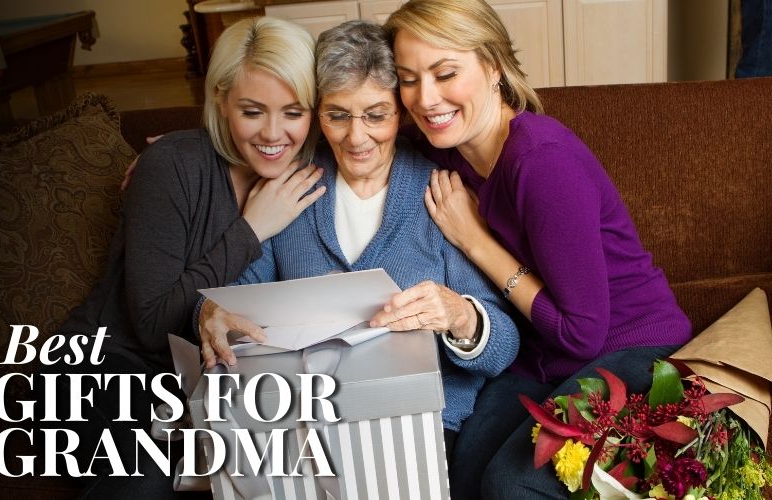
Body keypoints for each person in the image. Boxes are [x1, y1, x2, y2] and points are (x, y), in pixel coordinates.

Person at [381, 0, 693, 498]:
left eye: (445, 73)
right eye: (408, 78)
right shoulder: (444, 149)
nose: (426, 98)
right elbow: (356, 125)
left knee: (510, 486)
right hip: (539, 357)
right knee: (455, 479)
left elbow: (581, 334)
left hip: (631, 347)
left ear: (493, 66)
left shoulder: (543, 163)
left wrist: (476, 240)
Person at [197, 20, 520, 458]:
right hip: (306, 421)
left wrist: (460, 315)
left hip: (420, 424)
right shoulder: (289, 191)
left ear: (401, 112)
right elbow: (235, 297)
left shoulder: (441, 194)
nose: (356, 136)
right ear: (317, 114)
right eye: (337, 115)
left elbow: (504, 345)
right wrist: (210, 310)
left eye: (376, 115)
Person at [39, 17, 325, 499]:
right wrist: (251, 230)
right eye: (251, 112)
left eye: (293, 112)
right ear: (220, 101)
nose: (274, 133)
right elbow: (150, 323)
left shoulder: (307, 171)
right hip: (105, 367)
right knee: (148, 483)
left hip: (199, 380)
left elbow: (384, 125)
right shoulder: (172, 167)